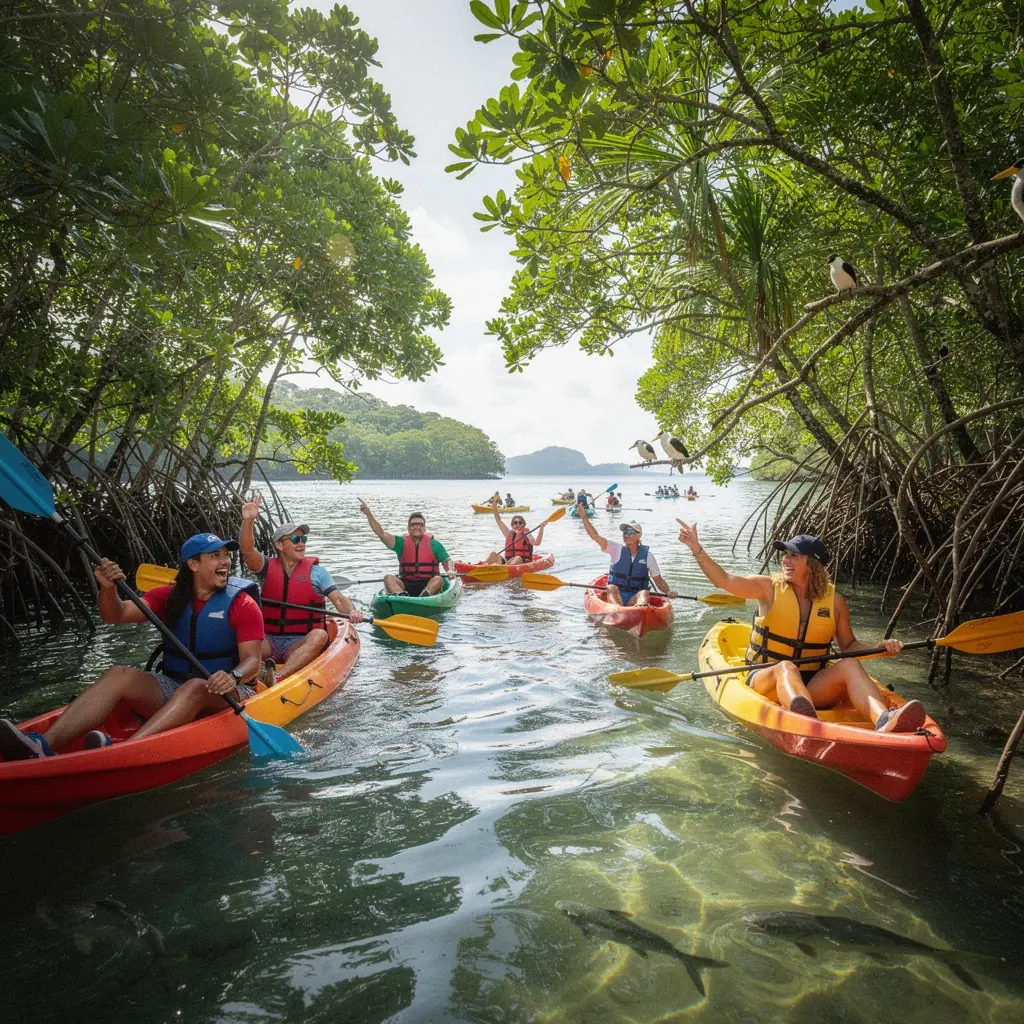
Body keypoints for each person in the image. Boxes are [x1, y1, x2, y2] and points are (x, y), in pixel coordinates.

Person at [0, 535, 264, 759]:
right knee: (119, 674)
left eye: (226, 555)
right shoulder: (170, 597)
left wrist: (233, 676)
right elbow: (115, 615)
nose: (226, 561)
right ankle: (43, 745)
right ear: (193, 564)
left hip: (231, 691)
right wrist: (107, 589)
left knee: (195, 687)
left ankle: (126, 751)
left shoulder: (242, 604)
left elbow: (253, 661)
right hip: (175, 685)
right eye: (215, 555)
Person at [676, 525, 925, 733]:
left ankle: (884, 720)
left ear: (813, 564)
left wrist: (879, 649)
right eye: (785, 554)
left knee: (850, 664)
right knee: (786, 667)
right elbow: (725, 581)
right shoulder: (768, 588)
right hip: (766, 678)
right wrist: (696, 548)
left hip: (813, 684)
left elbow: (849, 647)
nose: (785, 559)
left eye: (794, 555)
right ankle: (808, 727)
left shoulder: (835, 602)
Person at [240, 492, 361, 682]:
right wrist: (248, 522)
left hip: (298, 643)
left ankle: (278, 677)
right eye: (295, 540)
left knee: (320, 634)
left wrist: (352, 612)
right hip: (268, 640)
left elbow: (338, 599)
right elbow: (247, 551)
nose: (301, 544)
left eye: (303, 540)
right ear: (279, 545)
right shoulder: (266, 567)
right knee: (240, 630)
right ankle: (256, 671)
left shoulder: (318, 572)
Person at [577, 509, 678, 605]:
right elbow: (595, 537)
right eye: (625, 532)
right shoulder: (615, 549)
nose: (626, 535)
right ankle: (617, 611)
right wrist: (584, 517)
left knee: (644, 593)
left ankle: (639, 609)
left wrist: (668, 591)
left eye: (630, 532)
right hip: (615, 594)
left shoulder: (648, 556)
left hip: (635, 597)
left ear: (639, 535)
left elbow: (659, 581)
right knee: (612, 588)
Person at [360, 502, 454, 596]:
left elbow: (447, 560)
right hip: (405, 584)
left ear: (425, 528)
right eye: (413, 524)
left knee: (439, 579)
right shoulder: (400, 543)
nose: (416, 527)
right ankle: (402, 596)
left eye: (420, 524)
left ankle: (423, 597)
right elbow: (381, 533)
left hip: (429, 584)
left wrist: (450, 570)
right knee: (388, 578)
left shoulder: (435, 544)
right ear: (408, 528)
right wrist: (368, 514)